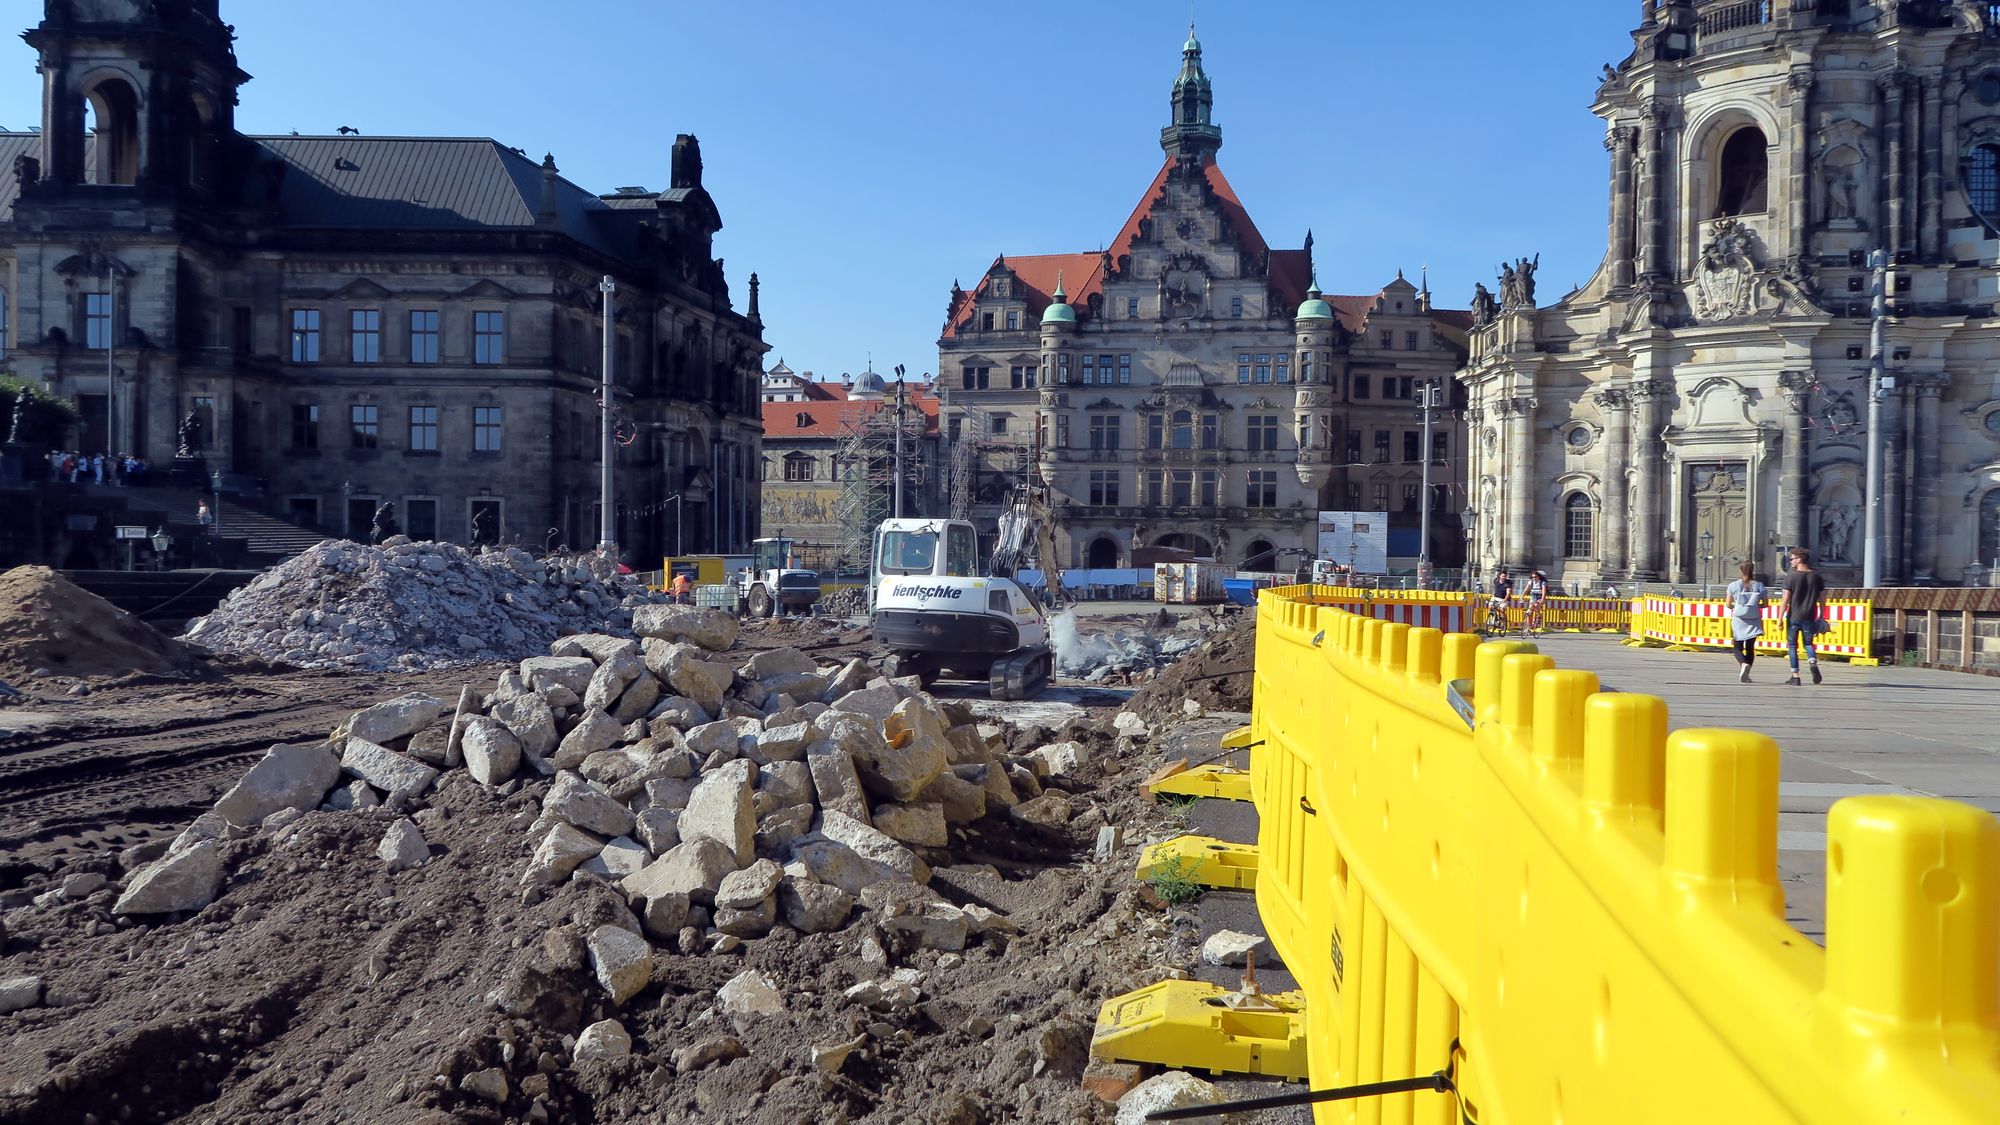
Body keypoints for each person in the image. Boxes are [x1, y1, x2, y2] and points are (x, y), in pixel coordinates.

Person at [1779, 547, 1827, 686]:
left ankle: (1795, 676)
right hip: (1810, 616)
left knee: (1793, 645)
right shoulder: (1817, 577)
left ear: (1799, 559)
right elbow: (1822, 599)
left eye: (1792, 559)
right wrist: (1822, 615)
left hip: (1794, 616)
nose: (1790, 562)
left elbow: (1785, 600)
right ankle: (1812, 661)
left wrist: (1780, 619)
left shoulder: (1791, 577)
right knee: (1808, 643)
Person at [1725, 560, 1767, 683]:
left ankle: (1743, 664)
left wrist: (1737, 608)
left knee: (1737, 647)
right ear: (1752, 570)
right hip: (1753, 619)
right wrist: (1753, 607)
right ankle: (1747, 674)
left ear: (1740, 570)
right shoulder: (1759, 585)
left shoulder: (1733, 585)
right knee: (1750, 647)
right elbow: (1765, 604)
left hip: (1739, 619)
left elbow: (1728, 604)